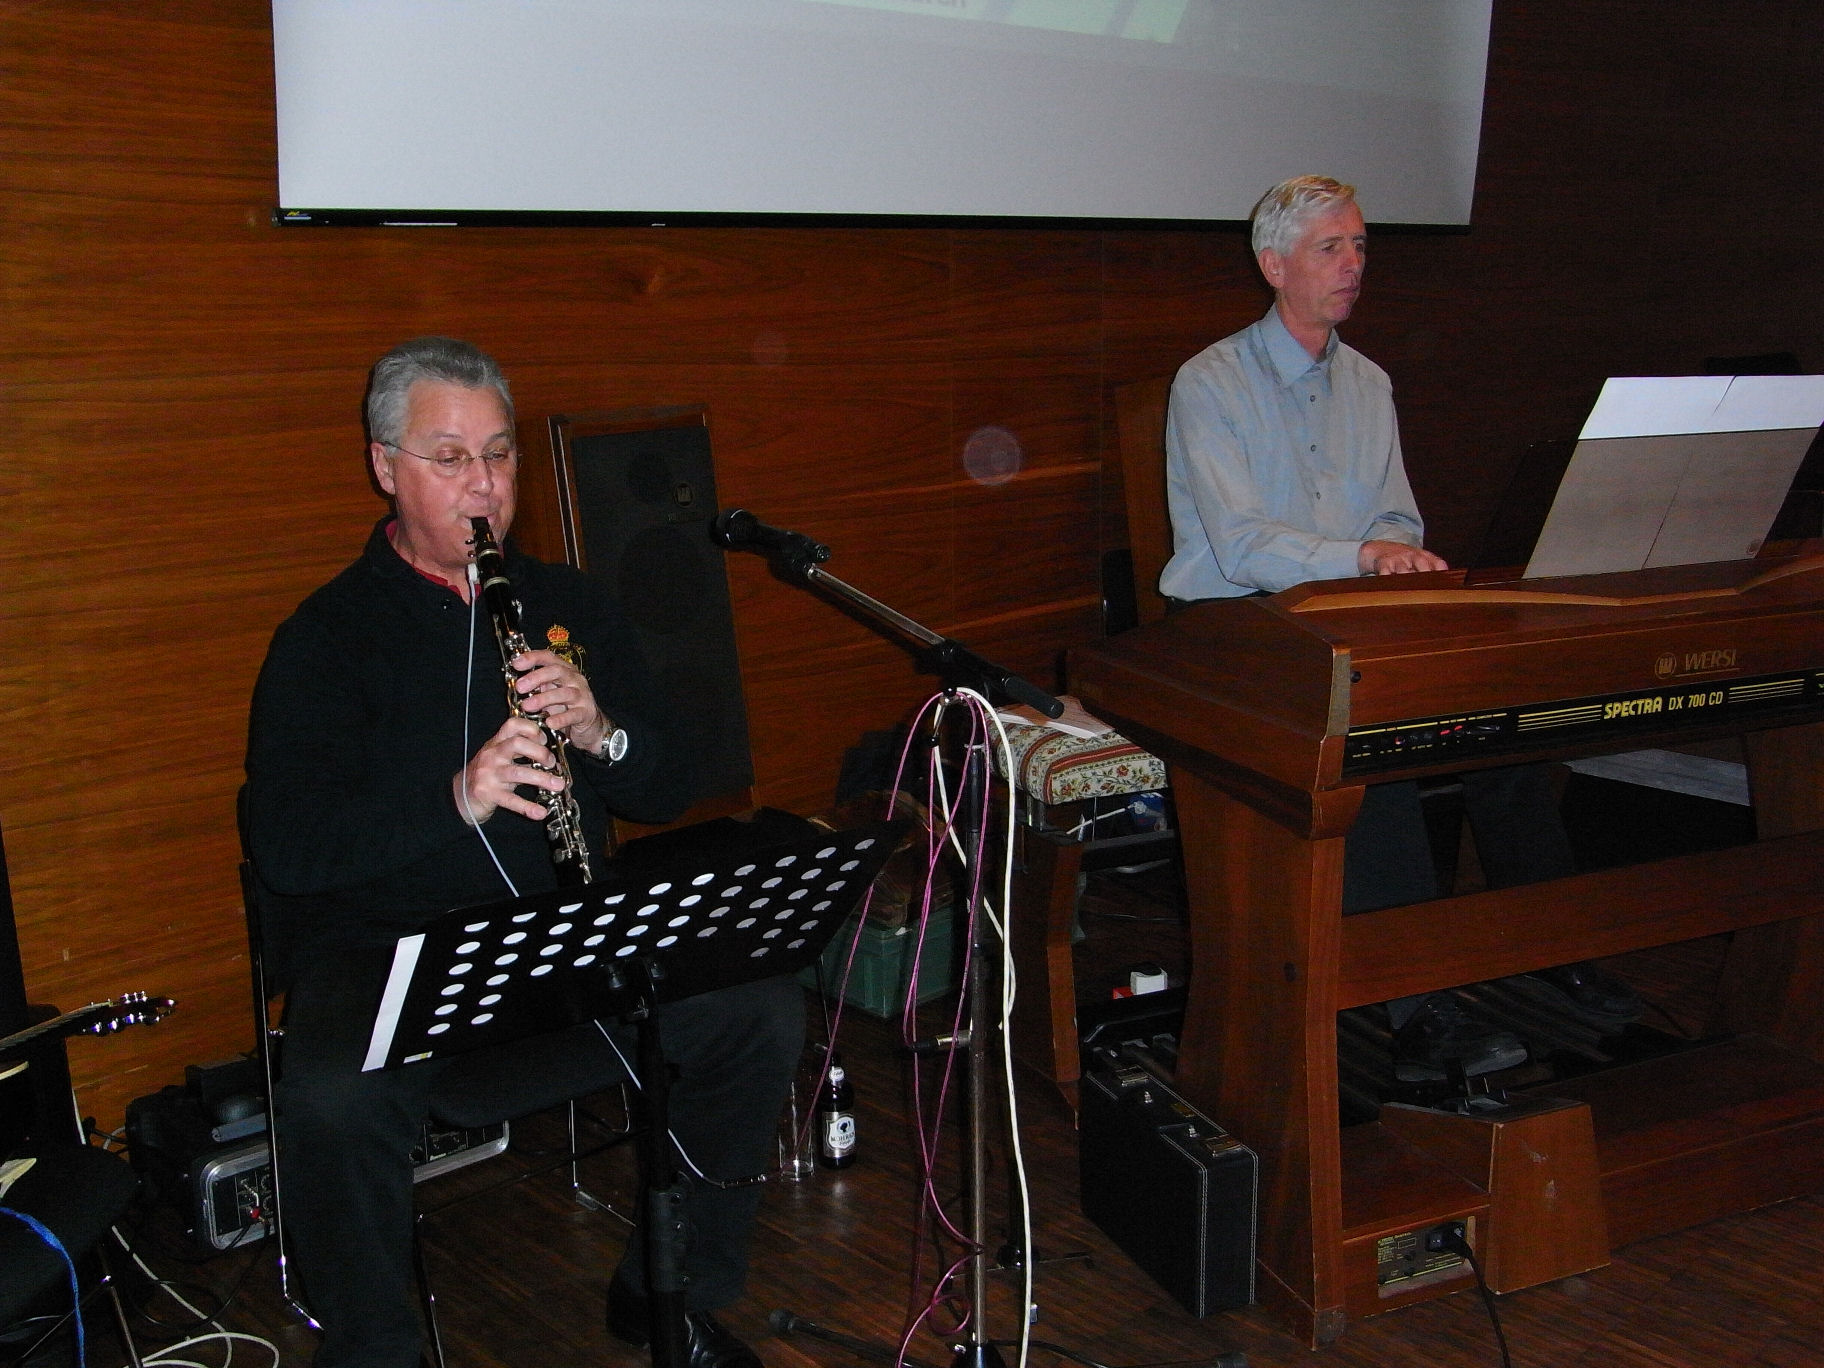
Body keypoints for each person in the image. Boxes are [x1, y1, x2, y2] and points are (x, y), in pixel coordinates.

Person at [244, 336, 801, 1368]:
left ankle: (670, 1290)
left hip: (561, 933)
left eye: (499, 455)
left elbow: (668, 786)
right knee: (330, 1099)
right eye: (449, 458)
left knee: (754, 1008)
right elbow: (288, 848)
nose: (485, 486)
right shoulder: (324, 640)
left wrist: (603, 733)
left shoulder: (569, 604)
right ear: (384, 466)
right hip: (390, 952)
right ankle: (375, 1352)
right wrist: (455, 798)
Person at [1160, 176, 1636, 1083]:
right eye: (1330, 248)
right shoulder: (1210, 381)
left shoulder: (1369, 382)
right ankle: (1417, 1002)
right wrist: (1364, 556)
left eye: (1360, 246)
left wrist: (1394, 555)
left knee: (1506, 733)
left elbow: (1396, 515)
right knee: (1370, 741)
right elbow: (1243, 545)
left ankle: (1553, 944)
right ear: (1274, 264)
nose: (1353, 265)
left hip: (1347, 612)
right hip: (1232, 625)